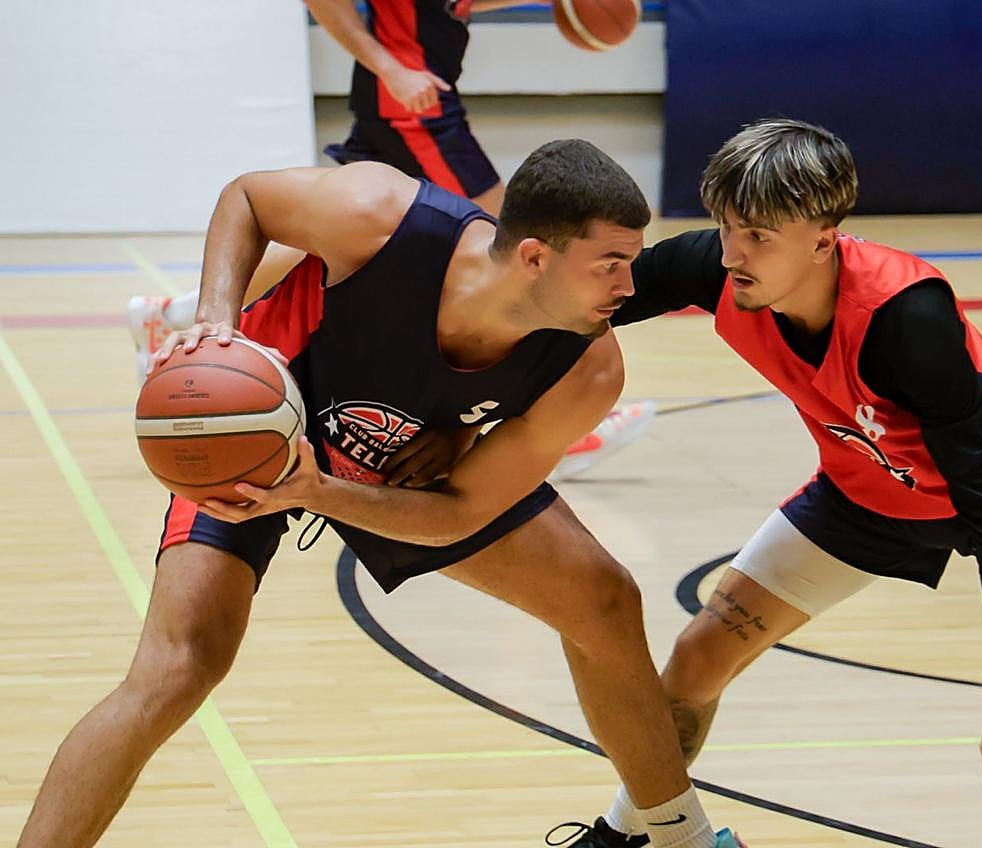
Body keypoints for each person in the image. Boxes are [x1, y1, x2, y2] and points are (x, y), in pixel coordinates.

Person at [18, 141, 742, 848]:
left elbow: (461, 512)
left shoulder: (587, 371)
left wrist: (323, 489)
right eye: (610, 264)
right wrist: (215, 320)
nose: (628, 286)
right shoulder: (380, 215)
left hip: (389, 471)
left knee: (604, 600)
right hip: (259, 431)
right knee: (179, 667)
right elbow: (248, 196)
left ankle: (682, 838)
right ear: (533, 258)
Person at [549, 119, 982, 846]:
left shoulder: (908, 318)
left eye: (759, 235)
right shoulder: (718, 269)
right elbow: (573, 307)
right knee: (696, 661)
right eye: (726, 227)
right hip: (868, 483)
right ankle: (625, 836)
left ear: (824, 238)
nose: (734, 253)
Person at [127, 0, 655, 479]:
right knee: (527, 244)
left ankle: (171, 315)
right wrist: (390, 67)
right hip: (414, 110)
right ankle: (556, 427)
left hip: (415, 105)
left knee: (329, 245)